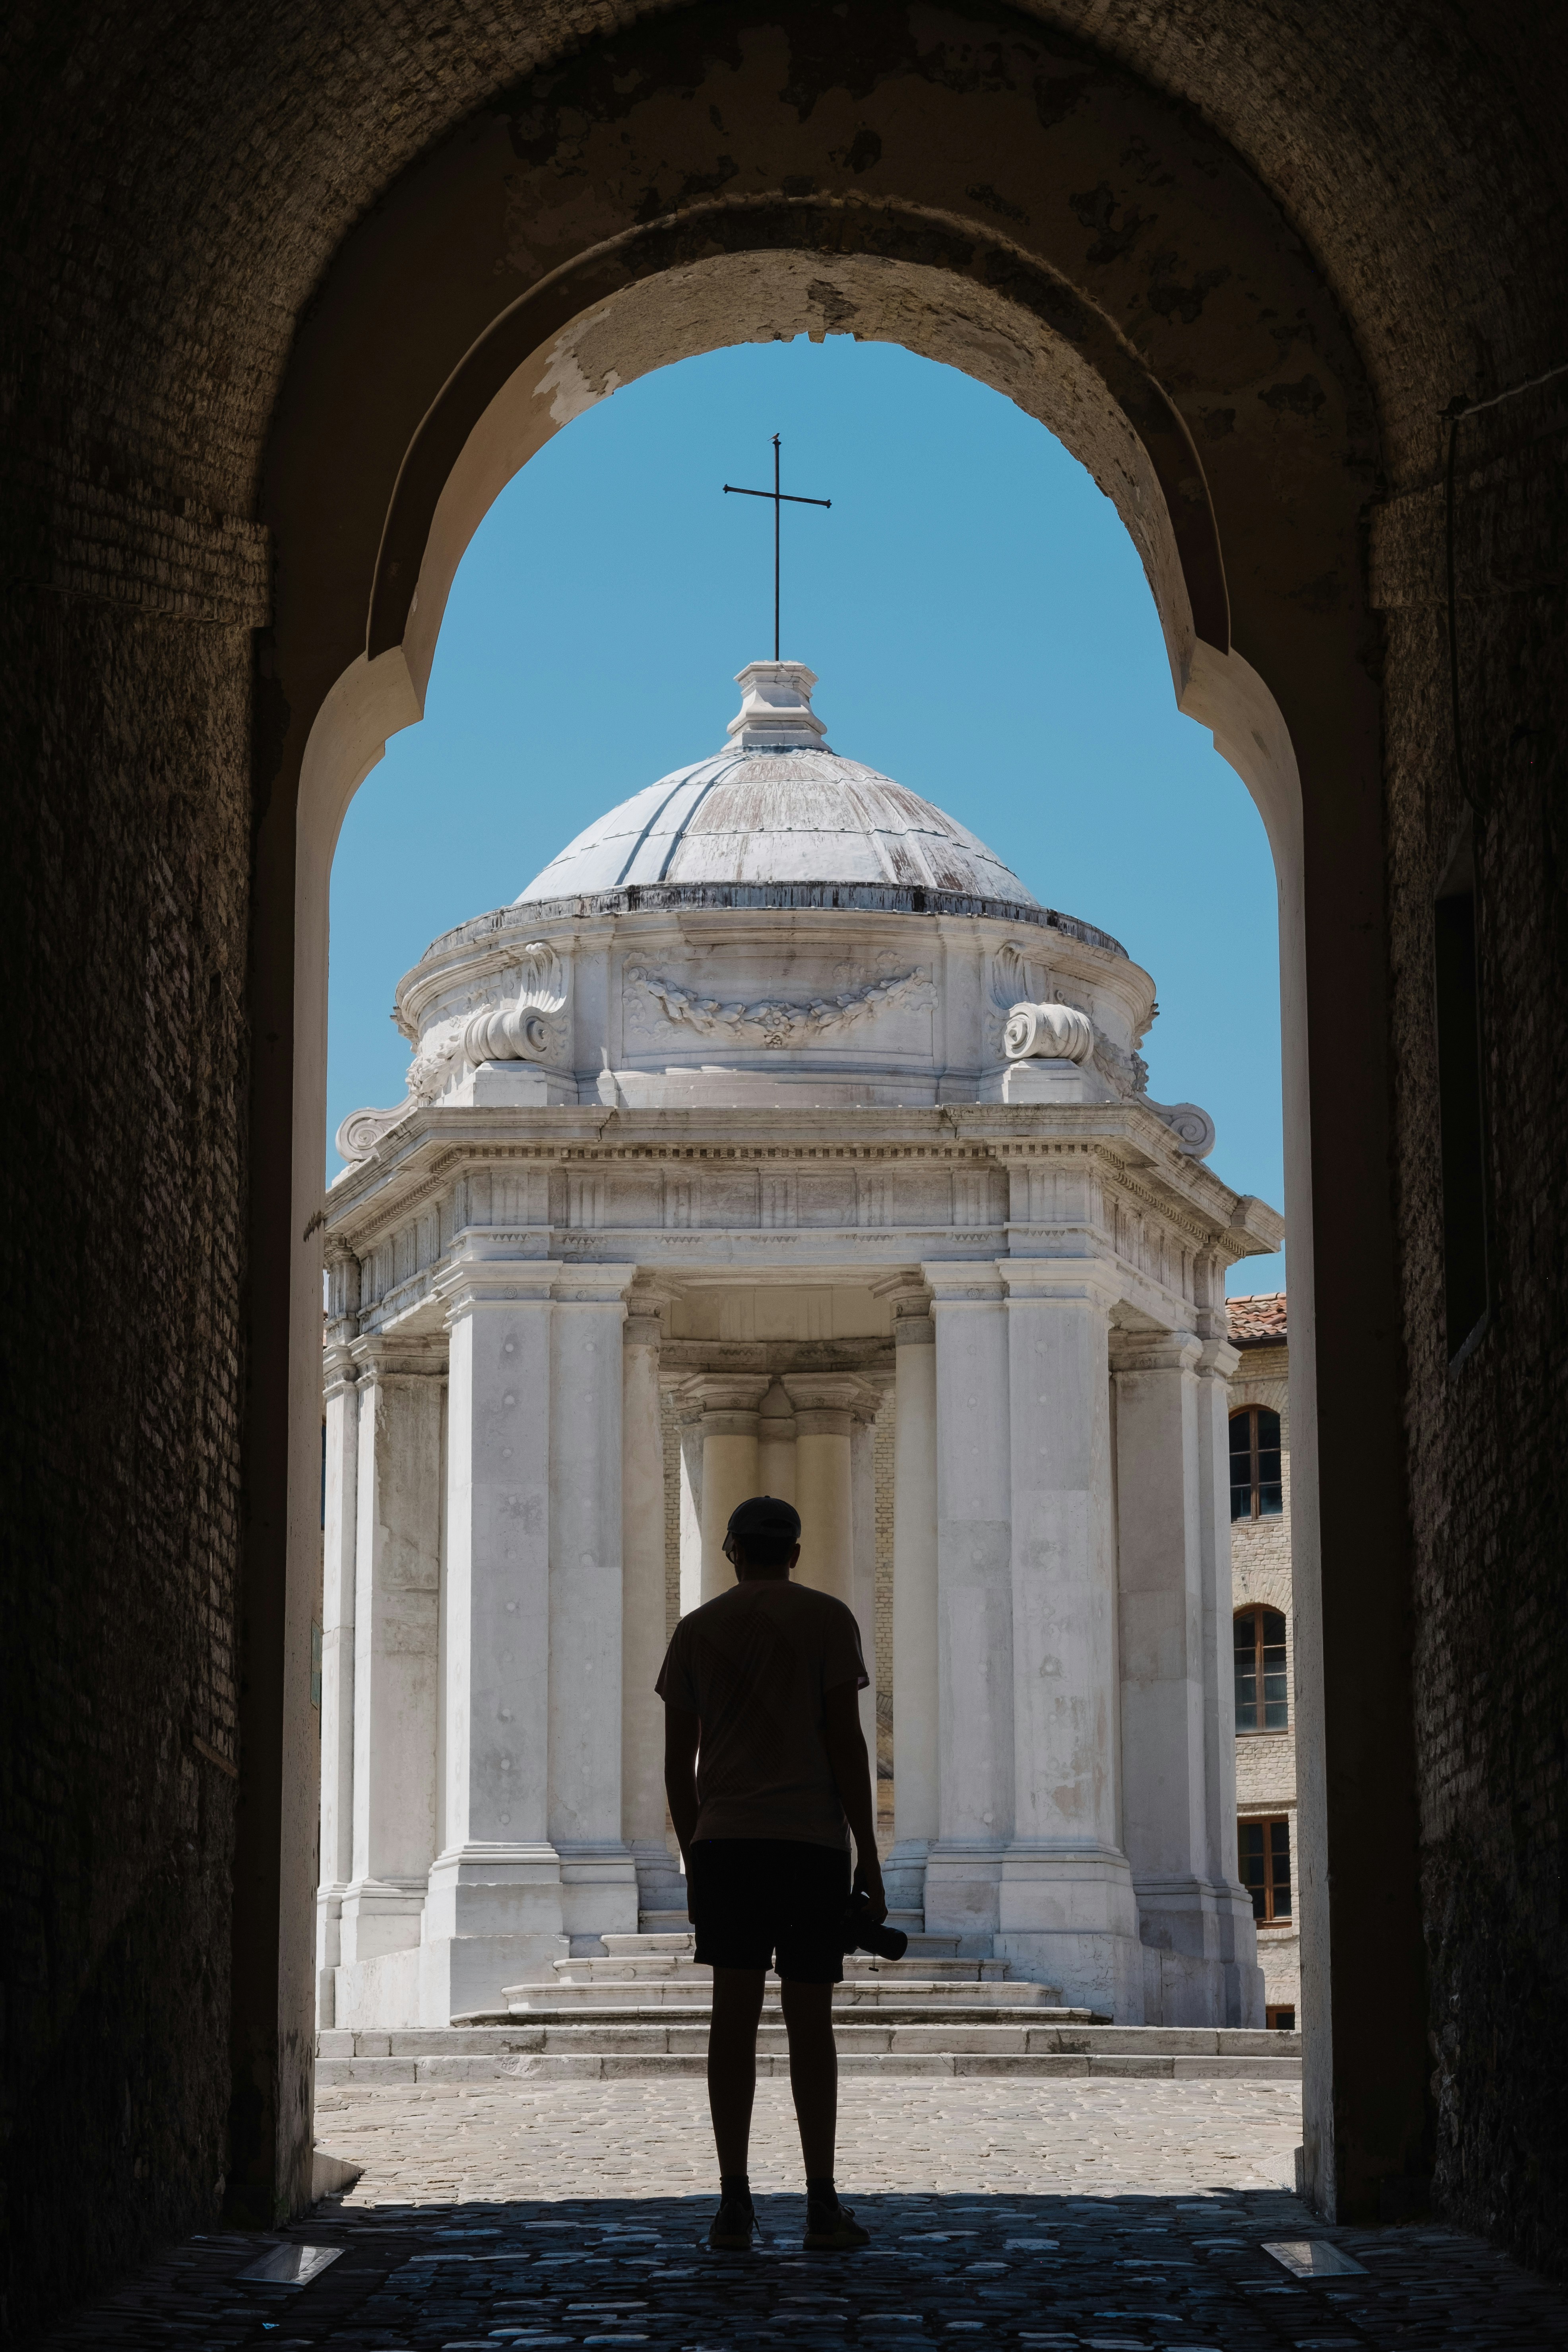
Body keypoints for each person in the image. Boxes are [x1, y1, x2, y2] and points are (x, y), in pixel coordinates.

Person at [657, 1493, 888, 2253]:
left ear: (731, 1551)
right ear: (794, 1550)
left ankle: (733, 2202)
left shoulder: (695, 1631)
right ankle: (821, 2201)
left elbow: (677, 1765)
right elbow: (845, 1743)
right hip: (810, 1845)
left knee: (732, 2022)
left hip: (728, 1844)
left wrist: (695, 1858)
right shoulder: (828, 1619)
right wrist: (869, 1854)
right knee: (809, 2025)